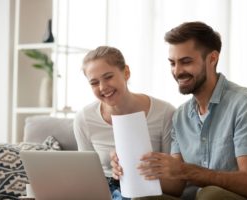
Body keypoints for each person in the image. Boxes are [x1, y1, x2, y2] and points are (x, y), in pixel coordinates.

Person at [111, 22, 247, 200]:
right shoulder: (181, 116)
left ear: (212, 59)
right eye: (172, 63)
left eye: (186, 62)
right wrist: (131, 171)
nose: (177, 71)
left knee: (210, 194)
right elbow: (175, 187)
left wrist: (186, 170)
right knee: (143, 198)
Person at [73, 46, 175, 200]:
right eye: (94, 83)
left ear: (126, 72)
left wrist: (134, 169)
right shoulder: (84, 119)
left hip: (146, 193)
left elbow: (175, 184)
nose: (102, 87)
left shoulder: (165, 112)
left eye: (108, 77)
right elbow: (85, 177)